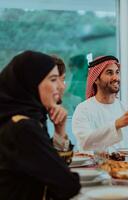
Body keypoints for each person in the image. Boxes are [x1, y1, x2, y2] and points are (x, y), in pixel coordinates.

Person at [0, 51, 81, 199]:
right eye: (53, 79)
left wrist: (60, 130)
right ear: (31, 83)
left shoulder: (24, 118)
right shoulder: (22, 127)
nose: (60, 87)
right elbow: (68, 184)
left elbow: (52, 169)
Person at [72, 55, 128, 151]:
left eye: (117, 72)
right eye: (109, 73)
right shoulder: (83, 109)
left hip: (124, 166)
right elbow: (85, 143)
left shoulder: (126, 110)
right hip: (94, 166)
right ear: (95, 79)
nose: (115, 78)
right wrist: (116, 124)